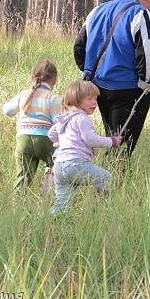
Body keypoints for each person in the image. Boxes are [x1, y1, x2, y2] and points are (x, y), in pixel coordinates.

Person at [74, 0, 150, 156]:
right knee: (121, 149)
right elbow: (148, 55)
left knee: (114, 140)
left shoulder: (98, 10)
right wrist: (147, 87)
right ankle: (111, 182)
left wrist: (90, 72)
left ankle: (110, 180)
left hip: (97, 88)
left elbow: (79, 47)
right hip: (128, 90)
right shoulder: (142, 14)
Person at [48, 80, 122, 215]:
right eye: (89, 99)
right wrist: (111, 141)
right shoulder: (82, 118)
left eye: (95, 99)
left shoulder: (65, 118)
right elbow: (91, 139)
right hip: (75, 163)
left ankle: (51, 223)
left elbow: (51, 133)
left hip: (59, 165)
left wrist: (60, 143)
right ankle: (98, 210)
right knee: (105, 178)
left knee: (62, 202)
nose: (94, 103)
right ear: (76, 101)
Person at [3, 60, 62, 191]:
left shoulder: (24, 94)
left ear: (33, 76)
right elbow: (59, 124)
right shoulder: (53, 99)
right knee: (58, 162)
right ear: (55, 80)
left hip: (23, 139)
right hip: (45, 140)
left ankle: (17, 203)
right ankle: (48, 191)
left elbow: (7, 111)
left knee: (23, 176)